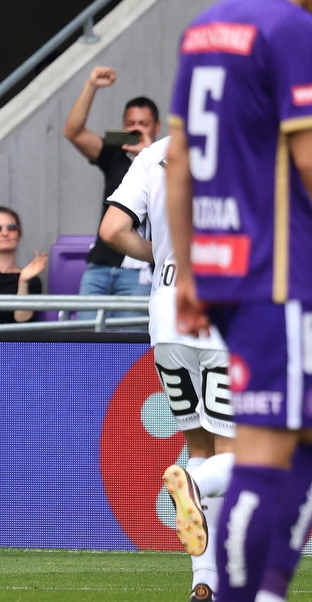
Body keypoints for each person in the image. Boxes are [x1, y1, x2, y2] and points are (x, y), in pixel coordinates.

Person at [166, 0, 312, 599]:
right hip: (284, 277)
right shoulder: (289, 30)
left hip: (232, 276)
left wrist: (194, 275)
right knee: (268, 464)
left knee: (278, 453)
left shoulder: (205, 27)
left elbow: (177, 161)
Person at [100, 137, 234, 602]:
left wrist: (160, 258)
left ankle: (206, 581)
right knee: (244, 454)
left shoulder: (158, 150)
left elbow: (113, 228)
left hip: (166, 315)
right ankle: (195, 487)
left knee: (199, 444)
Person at [63, 66, 158, 318]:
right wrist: (91, 85)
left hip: (140, 272)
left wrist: (149, 155)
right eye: (131, 124)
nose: (137, 129)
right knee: (84, 342)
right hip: (100, 266)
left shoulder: (164, 161)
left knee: (133, 349)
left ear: (157, 126)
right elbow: (73, 132)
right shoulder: (115, 157)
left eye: (143, 124)